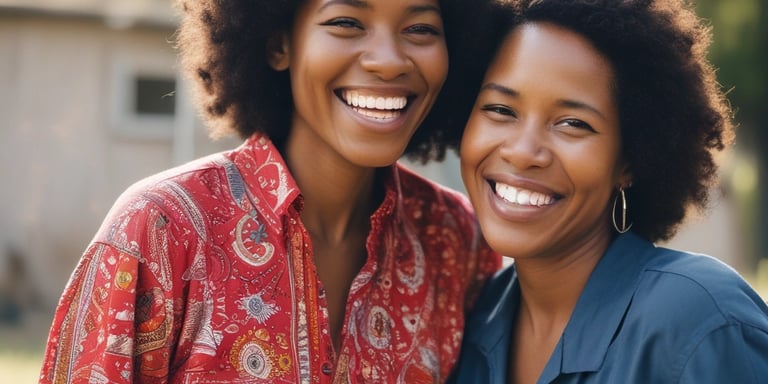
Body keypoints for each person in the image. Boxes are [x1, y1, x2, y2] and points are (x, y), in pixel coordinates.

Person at [39, 0, 501, 382]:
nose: (388, 59)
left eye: (420, 29)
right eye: (345, 22)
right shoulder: (161, 229)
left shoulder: (455, 240)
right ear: (280, 43)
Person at [449, 0, 768, 383]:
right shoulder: (467, 326)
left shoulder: (700, 323)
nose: (521, 152)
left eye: (572, 123)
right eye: (501, 109)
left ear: (629, 162)